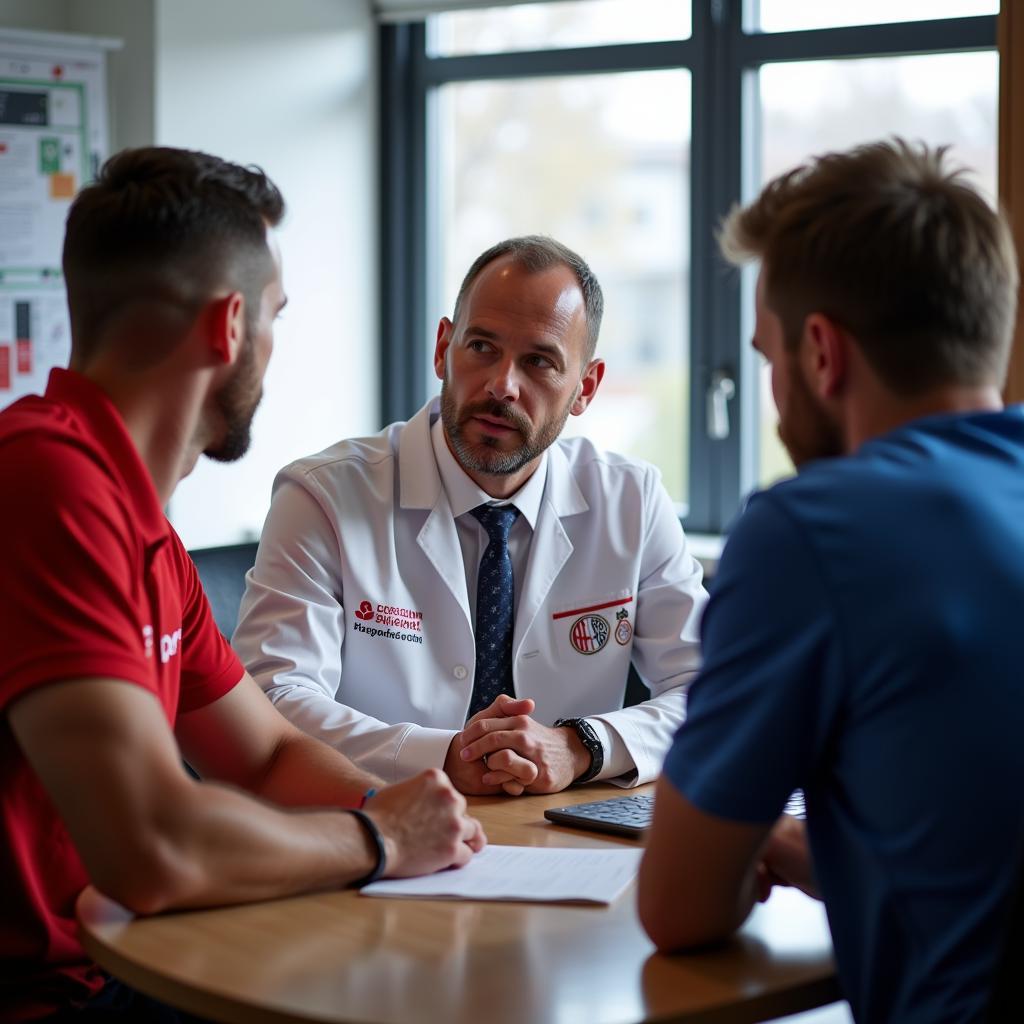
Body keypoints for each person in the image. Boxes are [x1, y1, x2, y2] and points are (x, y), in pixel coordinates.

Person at [0, 147, 484, 1023]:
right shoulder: (46, 485)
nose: (272, 344)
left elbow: (264, 754)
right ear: (229, 328)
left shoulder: (139, 525)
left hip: (113, 963)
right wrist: (380, 839)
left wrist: (400, 809)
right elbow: (153, 846)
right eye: (275, 317)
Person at [638, 138, 1024, 1023]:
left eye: (768, 359)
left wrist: (754, 843)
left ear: (822, 353)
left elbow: (679, 909)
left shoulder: (814, 531)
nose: (774, 395)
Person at [233, 235, 707, 796]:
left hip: (563, 838)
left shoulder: (631, 500)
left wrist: (582, 745)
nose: (502, 385)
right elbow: (273, 698)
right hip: (372, 823)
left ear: (586, 387)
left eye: (539, 362)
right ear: (442, 348)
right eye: (481, 346)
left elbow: (713, 690)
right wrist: (438, 756)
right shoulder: (322, 496)